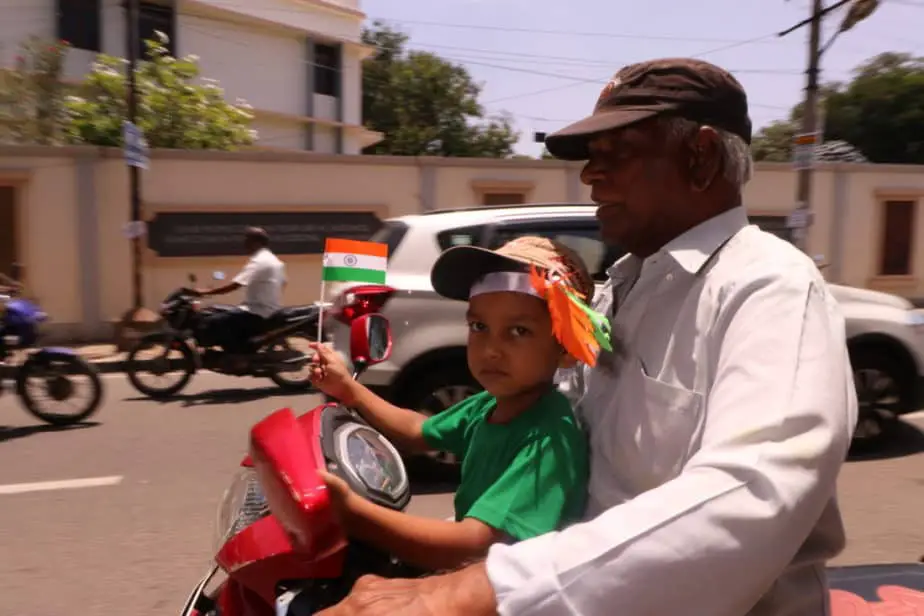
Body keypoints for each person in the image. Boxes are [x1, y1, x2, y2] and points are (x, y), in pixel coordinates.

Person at [316, 57, 857, 616]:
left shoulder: (769, 287)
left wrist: (463, 591)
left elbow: (755, 493)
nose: (590, 176)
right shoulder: (617, 289)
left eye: (615, 155)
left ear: (699, 157)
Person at [307, 235, 606, 572]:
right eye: (479, 326)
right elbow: (417, 431)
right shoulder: (490, 404)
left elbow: (475, 544)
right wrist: (348, 389)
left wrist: (355, 514)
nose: (491, 349)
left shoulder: (547, 438)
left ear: (566, 348)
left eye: (519, 331)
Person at [194, 227, 286, 366]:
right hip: (266, 309)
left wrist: (205, 292)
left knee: (216, 321)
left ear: (256, 242)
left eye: (247, 240)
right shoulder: (273, 260)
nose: (244, 244)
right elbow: (284, 282)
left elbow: (235, 285)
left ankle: (237, 355)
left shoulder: (259, 261)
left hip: (257, 311)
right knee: (219, 312)